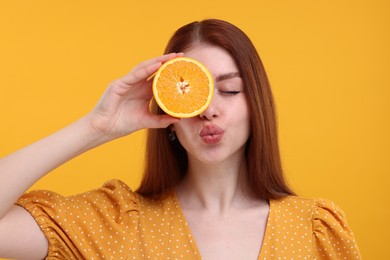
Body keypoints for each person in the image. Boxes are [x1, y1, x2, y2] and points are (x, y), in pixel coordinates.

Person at [0, 19, 361, 259]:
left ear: (257, 103)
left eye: (230, 90)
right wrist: (97, 126)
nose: (208, 110)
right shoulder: (114, 223)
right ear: (167, 117)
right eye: (189, 94)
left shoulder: (314, 230)